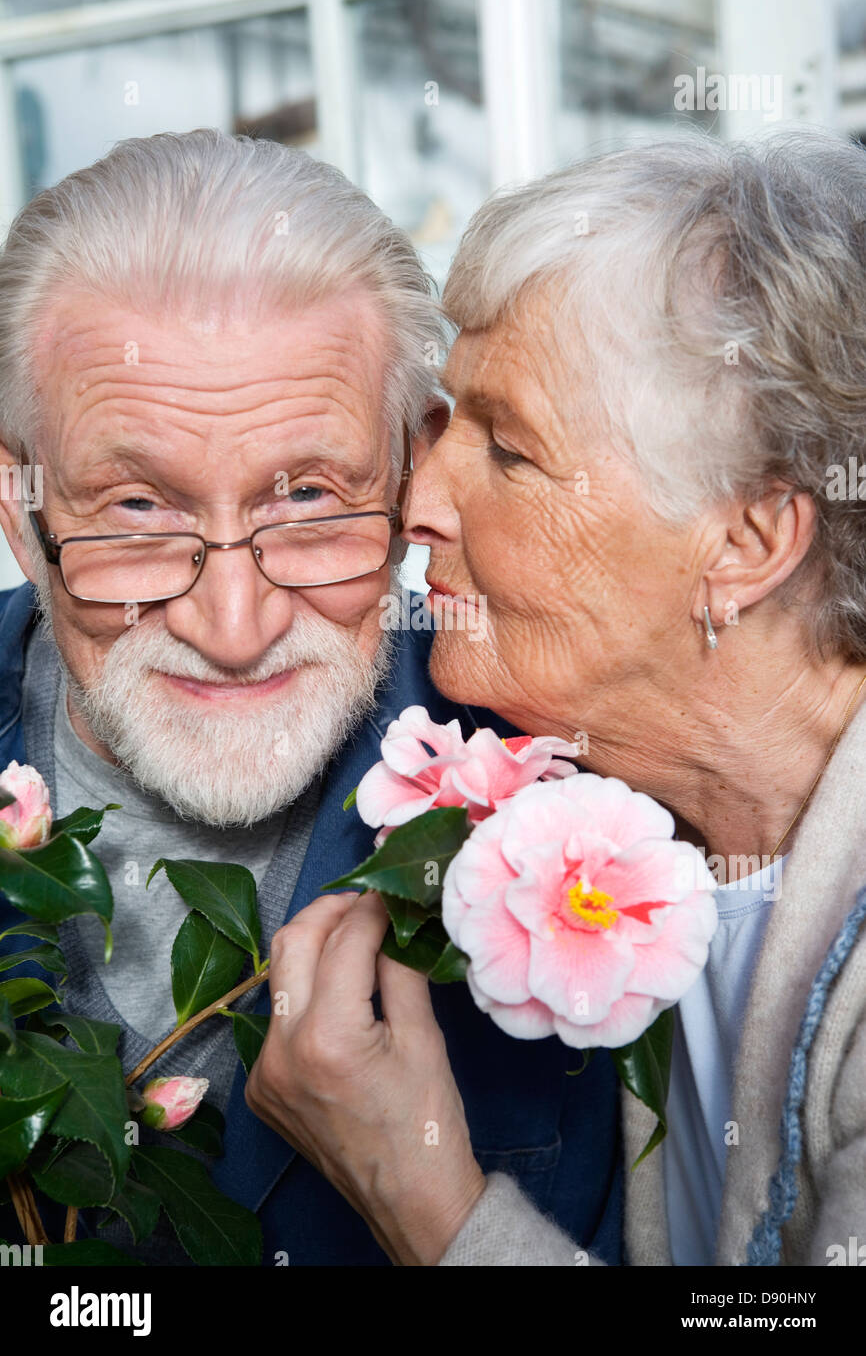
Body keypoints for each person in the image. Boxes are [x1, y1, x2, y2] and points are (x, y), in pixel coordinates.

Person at [244, 127, 866, 1267]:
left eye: (510, 451)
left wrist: (426, 1201)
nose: (414, 501)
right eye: (443, 423)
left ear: (745, 539)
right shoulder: (638, 817)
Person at [0, 129, 622, 1266]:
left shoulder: (595, 776)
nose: (232, 629)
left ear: (414, 465)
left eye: (310, 496)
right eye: (138, 507)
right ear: (18, 496)